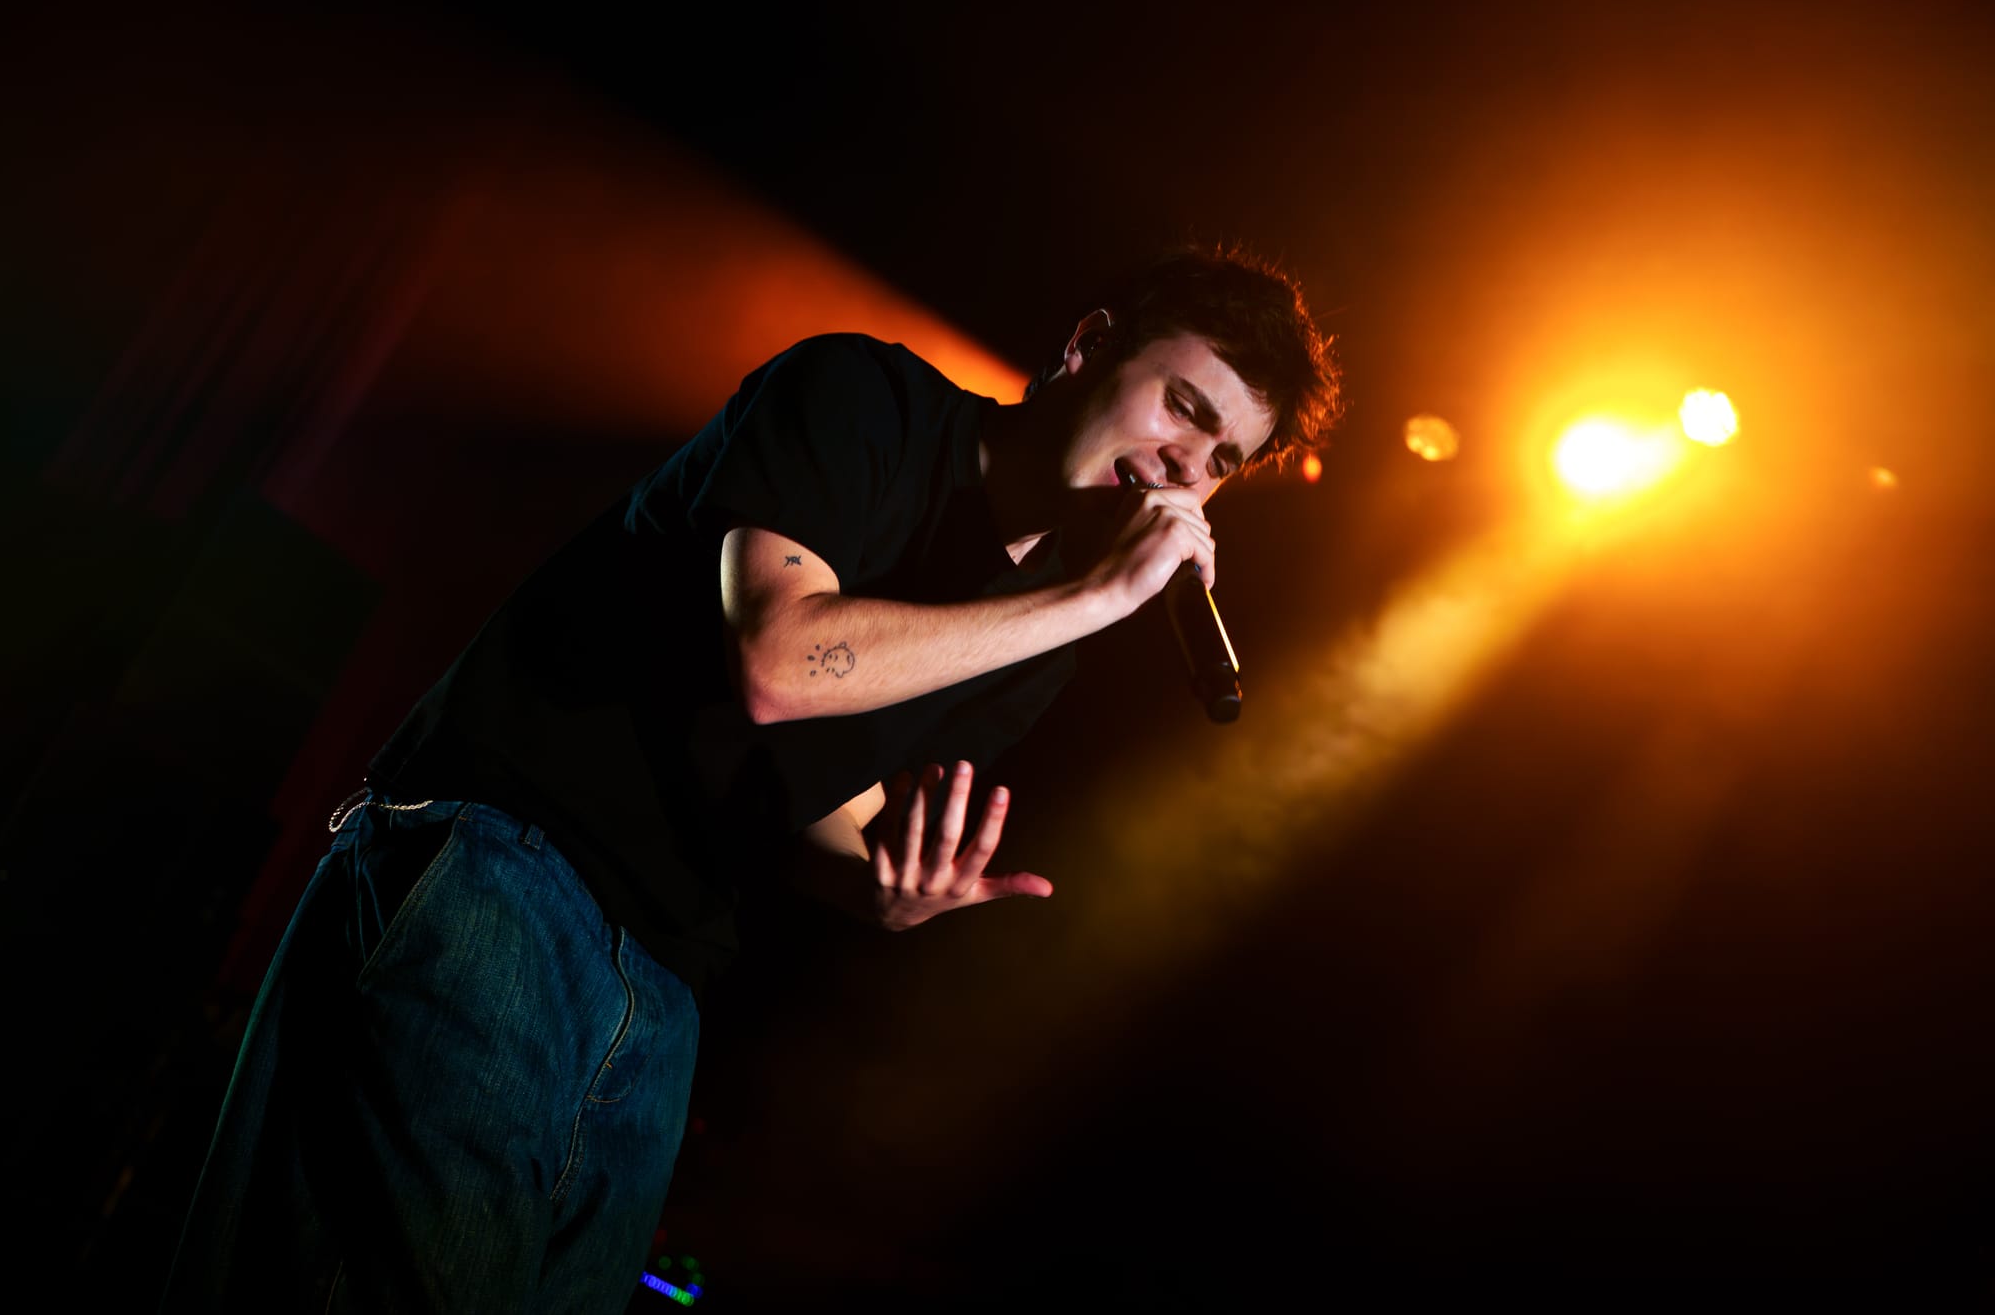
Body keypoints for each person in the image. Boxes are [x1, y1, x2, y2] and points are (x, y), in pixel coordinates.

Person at [163, 244, 1340, 1311]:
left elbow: (815, 797)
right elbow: (777, 661)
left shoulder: (1036, 629)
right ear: (1087, 345)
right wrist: (1090, 597)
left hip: (664, 985)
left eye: (1221, 457)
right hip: (504, 870)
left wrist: (890, 882)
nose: (1183, 465)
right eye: (1182, 407)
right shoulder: (861, 402)